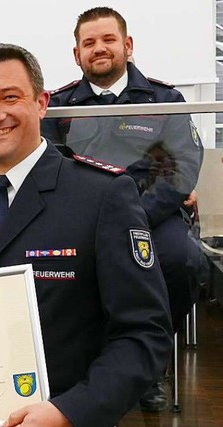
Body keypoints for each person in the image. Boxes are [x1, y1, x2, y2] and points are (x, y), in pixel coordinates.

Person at [0, 43, 172, 427]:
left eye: (10, 97)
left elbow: (143, 332)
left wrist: (71, 411)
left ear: (41, 103)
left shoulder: (101, 196)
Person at [40, 7, 205, 411]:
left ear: (127, 46)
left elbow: (178, 168)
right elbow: (54, 167)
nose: (99, 48)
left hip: (150, 218)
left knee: (182, 261)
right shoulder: (59, 107)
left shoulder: (166, 100)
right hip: (80, 221)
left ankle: (148, 363)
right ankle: (87, 361)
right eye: (89, 42)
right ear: (76, 54)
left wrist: (131, 216)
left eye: (108, 40)